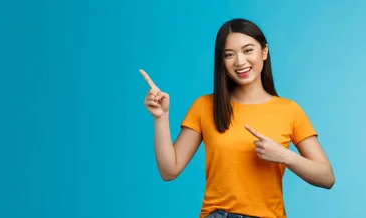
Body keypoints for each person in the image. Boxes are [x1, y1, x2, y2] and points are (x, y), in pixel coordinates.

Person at [140, 18, 335, 218]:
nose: (240, 61)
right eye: (229, 55)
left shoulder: (289, 111)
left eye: (248, 50)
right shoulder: (204, 106)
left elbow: (327, 177)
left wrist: (284, 156)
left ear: (264, 52)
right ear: (222, 62)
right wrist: (161, 118)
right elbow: (169, 171)